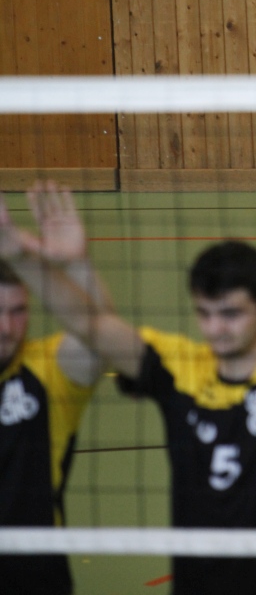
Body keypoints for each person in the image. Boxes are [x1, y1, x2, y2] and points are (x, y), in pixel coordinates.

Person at [0, 198, 256, 595]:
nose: (216, 329)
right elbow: (92, 326)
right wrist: (19, 256)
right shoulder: (180, 368)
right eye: (205, 313)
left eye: (231, 314)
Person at [0, 184, 109, 595]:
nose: (7, 328)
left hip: (35, 576)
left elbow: (102, 339)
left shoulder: (46, 370)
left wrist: (76, 265)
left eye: (18, 311)